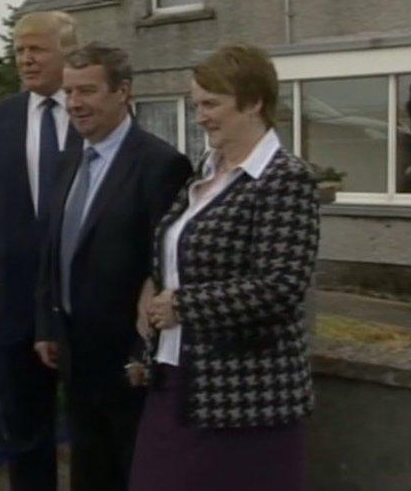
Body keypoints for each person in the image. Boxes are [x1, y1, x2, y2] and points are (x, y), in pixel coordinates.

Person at [129, 44, 320, 491]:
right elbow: (180, 252)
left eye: (211, 104)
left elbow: (281, 286)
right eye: (197, 104)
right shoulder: (206, 172)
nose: (200, 116)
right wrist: (153, 283)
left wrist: (183, 305)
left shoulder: (285, 179)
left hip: (244, 398)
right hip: (175, 377)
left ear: (254, 102)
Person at [34, 43, 191, 491]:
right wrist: (47, 324)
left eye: (87, 91)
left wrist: (141, 348)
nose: (75, 104)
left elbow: (163, 263)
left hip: (128, 359)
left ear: (123, 92)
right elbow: (53, 250)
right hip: (73, 351)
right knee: (87, 468)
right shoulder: (68, 160)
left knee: (133, 470)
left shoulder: (160, 165)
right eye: (68, 92)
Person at [0, 10, 83, 491]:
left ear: (68, 53)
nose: (26, 59)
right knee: (25, 427)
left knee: (92, 426)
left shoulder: (90, 111)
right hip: (14, 300)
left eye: (37, 49)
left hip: (81, 298)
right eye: (19, 51)